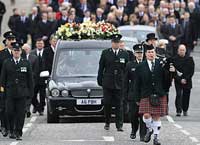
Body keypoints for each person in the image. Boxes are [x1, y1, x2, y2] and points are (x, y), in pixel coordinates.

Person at [134, 44, 168, 145]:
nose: (151, 54)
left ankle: (156, 138)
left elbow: (166, 81)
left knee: (157, 116)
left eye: (152, 52)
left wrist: (170, 72)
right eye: (149, 52)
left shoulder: (161, 64)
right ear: (145, 54)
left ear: (155, 53)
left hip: (159, 93)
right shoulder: (140, 66)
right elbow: (137, 83)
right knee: (146, 115)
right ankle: (149, 129)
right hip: (145, 94)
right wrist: (137, 97)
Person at [0, 42, 33, 140]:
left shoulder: (25, 63)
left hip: (22, 93)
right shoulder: (7, 62)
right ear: (13, 52)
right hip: (10, 93)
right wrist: (3, 93)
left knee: (20, 114)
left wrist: (30, 94)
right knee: (9, 112)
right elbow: (2, 79)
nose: (16, 52)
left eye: (18, 51)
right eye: (15, 51)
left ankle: (18, 132)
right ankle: (11, 129)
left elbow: (30, 80)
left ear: (20, 52)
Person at [97, 34, 129, 131]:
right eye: (114, 42)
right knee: (107, 103)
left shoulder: (124, 54)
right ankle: (107, 122)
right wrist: (99, 79)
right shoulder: (106, 53)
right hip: (108, 82)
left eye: (118, 42)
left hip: (120, 82)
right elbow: (101, 67)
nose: (116, 44)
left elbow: (126, 69)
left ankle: (119, 125)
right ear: (112, 43)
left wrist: (127, 81)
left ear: (120, 43)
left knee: (119, 104)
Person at [124, 43, 146, 141]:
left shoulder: (147, 63)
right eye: (138, 53)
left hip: (144, 94)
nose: (140, 54)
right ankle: (134, 129)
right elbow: (125, 81)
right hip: (132, 94)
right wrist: (125, 94)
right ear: (134, 53)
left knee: (143, 116)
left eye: (141, 52)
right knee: (133, 115)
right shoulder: (130, 65)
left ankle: (142, 135)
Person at [0, 31, 16, 137]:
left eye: (13, 39)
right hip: (3, 85)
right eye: (9, 40)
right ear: (6, 42)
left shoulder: (19, 52)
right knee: (3, 107)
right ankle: (4, 126)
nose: (11, 41)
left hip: (15, 85)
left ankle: (12, 128)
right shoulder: (1, 54)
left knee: (14, 108)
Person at [173, 44, 195, 116]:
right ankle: (178, 110)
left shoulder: (190, 59)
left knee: (186, 95)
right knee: (179, 94)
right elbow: (174, 72)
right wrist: (180, 79)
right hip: (178, 80)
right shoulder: (174, 59)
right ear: (178, 51)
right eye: (180, 50)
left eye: (183, 50)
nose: (182, 51)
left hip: (187, 80)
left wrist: (185, 79)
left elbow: (191, 71)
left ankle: (185, 109)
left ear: (185, 51)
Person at [30, 38, 46, 116]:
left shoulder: (46, 52)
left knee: (43, 95)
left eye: (41, 43)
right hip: (34, 78)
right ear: (36, 44)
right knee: (32, 95)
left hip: (44, 77)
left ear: (43, 44)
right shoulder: (32, 53)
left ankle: (41, 109)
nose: (39, 45)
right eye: (38, 43)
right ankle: (36, 106)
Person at [22, 43, 39, 118]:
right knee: (24, 96)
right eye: (24, 49)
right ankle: (26, 109)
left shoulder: (34, 58)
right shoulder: (20, 57)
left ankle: (27, 109)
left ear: (29, 50)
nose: (25, 50)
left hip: (31, 80)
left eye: (27, 49)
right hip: (22, 81)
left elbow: (36, 70)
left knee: (29, 96)